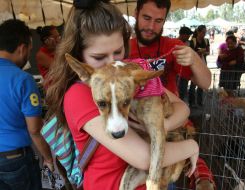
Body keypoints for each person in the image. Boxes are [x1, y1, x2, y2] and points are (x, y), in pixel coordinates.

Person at [45, 1, 199, 190]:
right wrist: (191, 147)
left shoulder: (129, 73)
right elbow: (144, 158)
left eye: (118, 52)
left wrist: (162, 125)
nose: (112, 65)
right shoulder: (80, 94)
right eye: (100, 57)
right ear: (79, 56)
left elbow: (183, 107)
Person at [0, 19, 54, 190]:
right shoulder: (23, 79)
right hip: (15, 159)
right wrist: (48, 158)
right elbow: (34, 130)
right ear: (22, 48)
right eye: (30, 49)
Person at [129, 0, 211, 97]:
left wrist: (194, 58)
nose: (151, 27)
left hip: (169, 108)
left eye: (158, 21)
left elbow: (206, 83)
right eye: (146, 18)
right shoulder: (121, 49)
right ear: (136, 13)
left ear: (164, 21)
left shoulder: (173, 47)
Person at [188, 25, 210, 107]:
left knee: (201, 83)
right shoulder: (193, 41)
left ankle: (200, 102)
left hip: (203, 64)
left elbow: (208, 52)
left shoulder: (206, 41)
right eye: (203, 32)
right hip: (194, 65)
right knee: (193, 83)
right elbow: (191, 53)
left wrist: (203, 52)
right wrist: (198, 52)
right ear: (198, 32)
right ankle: (192, 102)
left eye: (205, 32)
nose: (204, 34)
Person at [177, 26, 193, 101]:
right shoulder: (174, 43)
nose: (189, 36)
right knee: (176, 90)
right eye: (188, 35)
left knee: (183, 90)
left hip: (185, 72)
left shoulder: (189, 43)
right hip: (177, 72)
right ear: (182, 34)